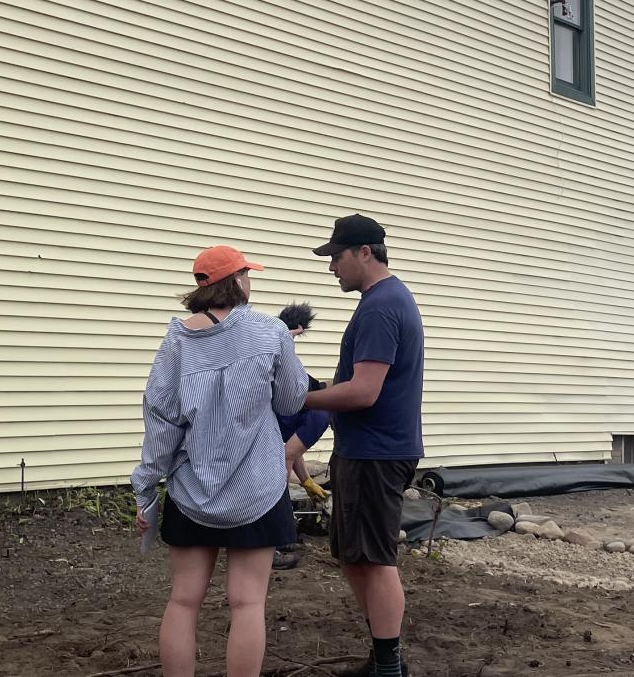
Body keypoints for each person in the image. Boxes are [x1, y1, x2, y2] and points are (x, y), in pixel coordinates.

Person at [131, 245, 310, 677]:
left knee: (182, 600)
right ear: (239, 280)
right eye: (248, 274)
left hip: (192, 492)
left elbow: (161, 421)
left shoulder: (176, 340)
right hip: (257, 491)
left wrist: (144, 489)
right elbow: (291, 399)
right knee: (248, 603)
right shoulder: (271, 332)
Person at [302, 214, 425, 677]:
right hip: (365, 448)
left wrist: (300, 397)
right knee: (355, 555)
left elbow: (363, 391)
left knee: (374, 559)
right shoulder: (386, 300)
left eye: (335, 257)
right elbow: (360, 382)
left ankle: (389, 667)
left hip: (377, 451)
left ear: (364, 253)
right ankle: (381, 657)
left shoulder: (379, 307)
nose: (331, 267)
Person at [274, 390, 331, 570]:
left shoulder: (315, 411)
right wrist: (278, 492)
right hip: (254, 435)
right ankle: (272, 547)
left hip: (257, 431)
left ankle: (282, 541)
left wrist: (307, 481)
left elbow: (293, 449)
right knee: (275, 498)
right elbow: (286, 456)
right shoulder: (321, 417)